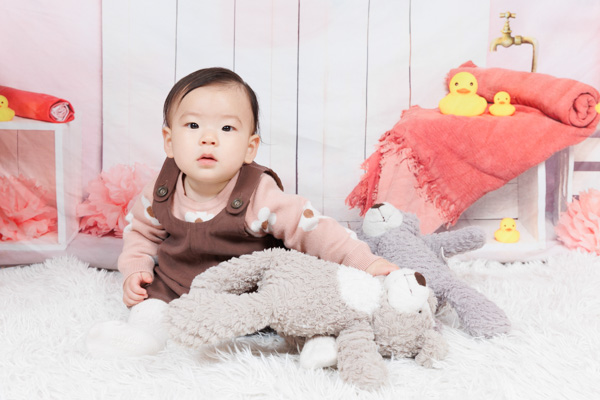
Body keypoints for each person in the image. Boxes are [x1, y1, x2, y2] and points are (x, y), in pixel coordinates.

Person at [86, 67, 399, 357]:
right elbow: (141, 234)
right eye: (193, 125)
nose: (208, 138)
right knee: (151, 308)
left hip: (246, 297)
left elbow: (311, 228)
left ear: (250, 147)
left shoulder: (258, 193)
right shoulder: (161, 190)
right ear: (169, 141)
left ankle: (320, 343)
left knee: (298, 305)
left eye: (226, 128)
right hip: (175, 288)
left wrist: (364, 262)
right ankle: (141, 338)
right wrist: (135, 269)